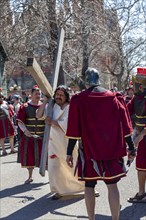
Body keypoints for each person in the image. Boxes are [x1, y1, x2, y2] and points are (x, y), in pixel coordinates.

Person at [66, 68, 136, 220]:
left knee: (89, 186)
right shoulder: (115, 97)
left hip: (90, 151)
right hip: (111, 150)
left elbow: (73, 128)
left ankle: (91, 219)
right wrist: (131, 147)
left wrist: (69, 152)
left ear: (86, 80)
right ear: (99, 79)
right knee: (112, 185)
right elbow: (126, 125)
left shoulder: (79, 99)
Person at [36, 85, 84, 200]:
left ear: (66, 97)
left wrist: (52, 121)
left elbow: (69, 125)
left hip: (68, 142)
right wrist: (45, 102)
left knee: (73, 167)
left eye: (61, 95)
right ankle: (59, 190)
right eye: (57, 95)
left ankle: (81, 188)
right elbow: (38, 115)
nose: (58, 97)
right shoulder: (51, 106)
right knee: (55, 167)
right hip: (53, 142)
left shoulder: (70, 107)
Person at [16, 86, 45, 184]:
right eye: (36, 94)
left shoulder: (45, 106)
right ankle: (30, 176)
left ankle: (51, 177)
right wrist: (25, 131)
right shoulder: (25, 106)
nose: (38, 95)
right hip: (29, 137)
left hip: (43, 137)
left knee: (47, 157)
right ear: (31, 95)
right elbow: (20, 122)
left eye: (39, 93)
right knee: (29, 157)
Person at [127, 67, 146, 203]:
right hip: (141, 136)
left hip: (143, 136)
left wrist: (140, 136)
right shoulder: (136, 98)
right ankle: (142, 193)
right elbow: (125, 110)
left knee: (142, 165)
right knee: (141, 165)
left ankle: (141, 193)